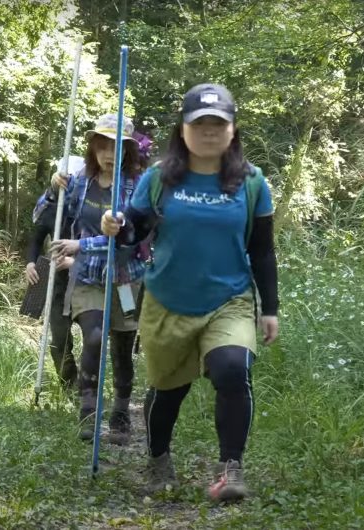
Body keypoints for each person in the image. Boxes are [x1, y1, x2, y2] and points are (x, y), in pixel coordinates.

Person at [100, 83, 280, 502]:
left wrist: (269, 307)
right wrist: (116, 225)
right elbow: (134, 232)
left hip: (229, 299)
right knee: (168, 390)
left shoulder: (252, 183)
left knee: (232, 370)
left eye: (219, 123)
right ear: (182, 130)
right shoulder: (159, 178)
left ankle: (230, 468)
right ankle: (158, 461)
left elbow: (262, 251)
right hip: (168, 301)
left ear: (233, 129)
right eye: (200, 124)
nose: (209, 131)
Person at [40, 113, 146, 445]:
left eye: (117, 147)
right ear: (93, 147)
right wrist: (53, 190)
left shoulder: (137, 187)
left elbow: (129, 237)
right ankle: (88, 412)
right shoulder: (80, 180)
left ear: (128, 151)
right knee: (95, 337)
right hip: (87, 276)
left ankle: (120, 413)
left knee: (122, 348)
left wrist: (81, 246)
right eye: (103, 145)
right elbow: (44, 216)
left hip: (125, 280)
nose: (109, 154)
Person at [24, 156, 84, 391]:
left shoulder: (91, 209)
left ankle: (90, 387)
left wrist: (74, 262)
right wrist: (30, 263)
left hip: (87, 280)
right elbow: (37, 238)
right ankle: (69, 388)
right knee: (59, 340)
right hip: (58, 282)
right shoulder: (50, 208)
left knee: (94, 338)